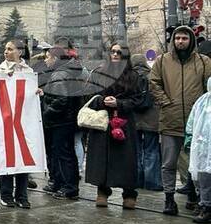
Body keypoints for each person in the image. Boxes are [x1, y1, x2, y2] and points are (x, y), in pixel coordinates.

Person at [149, 25, 211, 215]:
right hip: (170, 119)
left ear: (191, 40)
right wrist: (165, 103)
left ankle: (196, 197)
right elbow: (153, 82)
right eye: (177, 38)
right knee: (168, 163)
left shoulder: (204, 61)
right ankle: (169, 199)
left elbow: (209, 87)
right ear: (172, 41)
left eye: (184, 38)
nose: (180, 42)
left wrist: (201, 109)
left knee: (197, 163)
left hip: (196, 123)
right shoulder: (162, 61)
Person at [82, 43, 145, 209]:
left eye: (119, 52)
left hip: (124, 122)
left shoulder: (133, 76)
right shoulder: (99, 73)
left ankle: (129, 194)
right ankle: (102, 191)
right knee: (102, 158)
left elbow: (139, 100)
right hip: (102, 121)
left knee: (126, 159)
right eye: (113, 52)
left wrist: (120, 103)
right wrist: (102, 101)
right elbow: (89, 94)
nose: (115, 55)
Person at [39, 39, 86, 200]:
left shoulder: (60, 74)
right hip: (66, 120)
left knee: (64, 154)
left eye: (48, 57)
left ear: (56, 58)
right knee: (64, 153)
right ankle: (62, 183)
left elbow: (61, 99)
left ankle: (69, 187)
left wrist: (46, 113)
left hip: (60, 121)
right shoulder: (66, 72)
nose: (46, 60)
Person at [0, 40, 35, 208]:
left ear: (20, 52)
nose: (6, 52)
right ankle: (6, 194)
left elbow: (30, 93)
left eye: (10, 49)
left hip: (23, 120)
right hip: (4, 120)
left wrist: (37, 92)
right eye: (5, 49)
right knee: (7, 157)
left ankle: (22, 196)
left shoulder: (29, 71)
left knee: (22, 158)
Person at [132, 55, 162, 191]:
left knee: (136, 151)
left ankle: (137, 181)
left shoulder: (129, 77)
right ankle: (152, 182)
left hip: (133, 121)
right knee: (151, 151)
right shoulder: (153, 77)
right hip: (152, 121)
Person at [186, 77, 211, 223]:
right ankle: (205, 205)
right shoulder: (203, 101)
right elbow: (192, 119)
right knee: (203, 178)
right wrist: (189, 136)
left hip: (204, 146)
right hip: (202, 147)